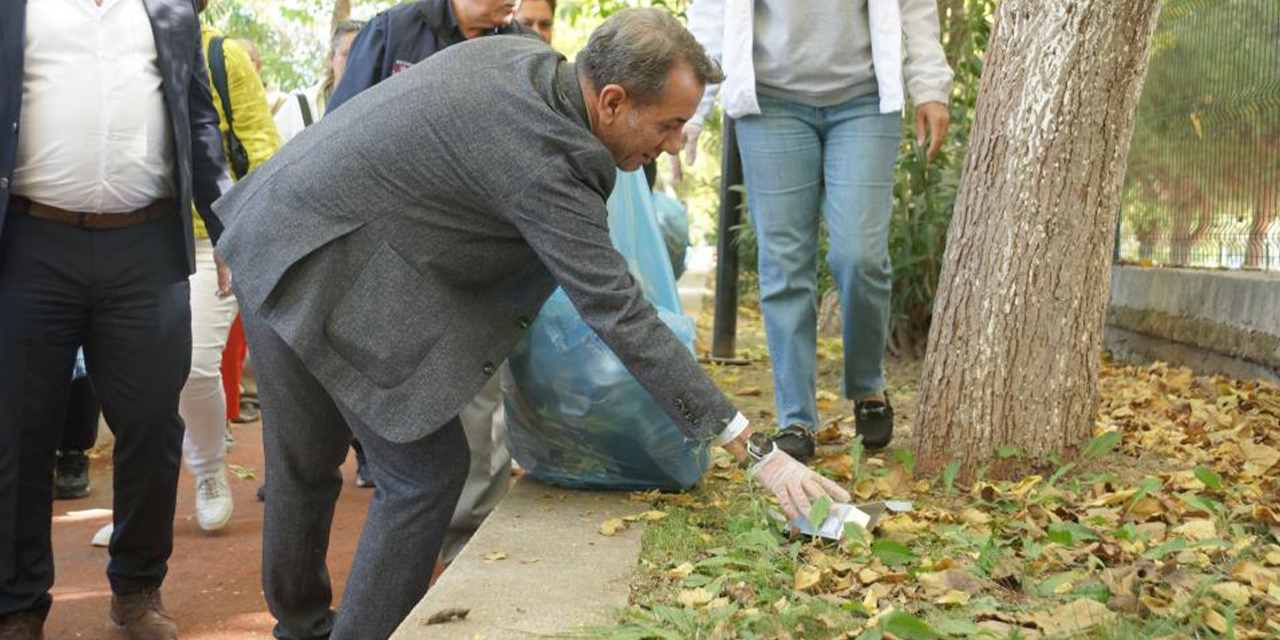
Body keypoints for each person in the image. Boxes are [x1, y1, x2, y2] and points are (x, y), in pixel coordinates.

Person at [213, 10, 848, 639]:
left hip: (277, 227)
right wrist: (751, 449)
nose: (677, 143)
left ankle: (298, 630)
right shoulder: (545, 157)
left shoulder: (527, 64)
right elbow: (618, 311)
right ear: (612, 101)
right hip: (317, 254)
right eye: (671, 124)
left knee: (304, 463)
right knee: (423, 476)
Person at [0, 0, 230, 636]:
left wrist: (227, 226)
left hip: (145, 247)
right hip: (28, 242)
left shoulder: (169, 8)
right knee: (19, 430)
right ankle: (17, 605)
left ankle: (136, 590)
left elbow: (198, 119)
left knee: (155, 424)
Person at [685, 0, 954, 459]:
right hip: (769, 103)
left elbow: (913, 8)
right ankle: (796, 418)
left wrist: (930, 86)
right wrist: (693, 109)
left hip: (865, 99)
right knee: (784, 263)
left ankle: (868, 385)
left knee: (860, 256)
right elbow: (712, 13)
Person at [323, 0, 530, 508]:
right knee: (360, 418)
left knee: (476, 405)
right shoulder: (393, 31)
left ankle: (466, 547)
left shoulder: (522, 48)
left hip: (472, 257)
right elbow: (338, 136)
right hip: (382, 254)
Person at [183, 1, 280, 532]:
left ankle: (207, 469)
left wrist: (236, 233)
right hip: (135, 236)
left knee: (195, 364)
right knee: (129, 382)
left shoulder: (222, 55)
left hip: (209, 241)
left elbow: (263, 151)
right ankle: (135, 510)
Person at [273, 20, 365, 145]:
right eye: (347, 54)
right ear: (331, 58)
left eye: (363, 54)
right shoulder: (298, 108)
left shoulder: (378, 108)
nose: (354, 60)